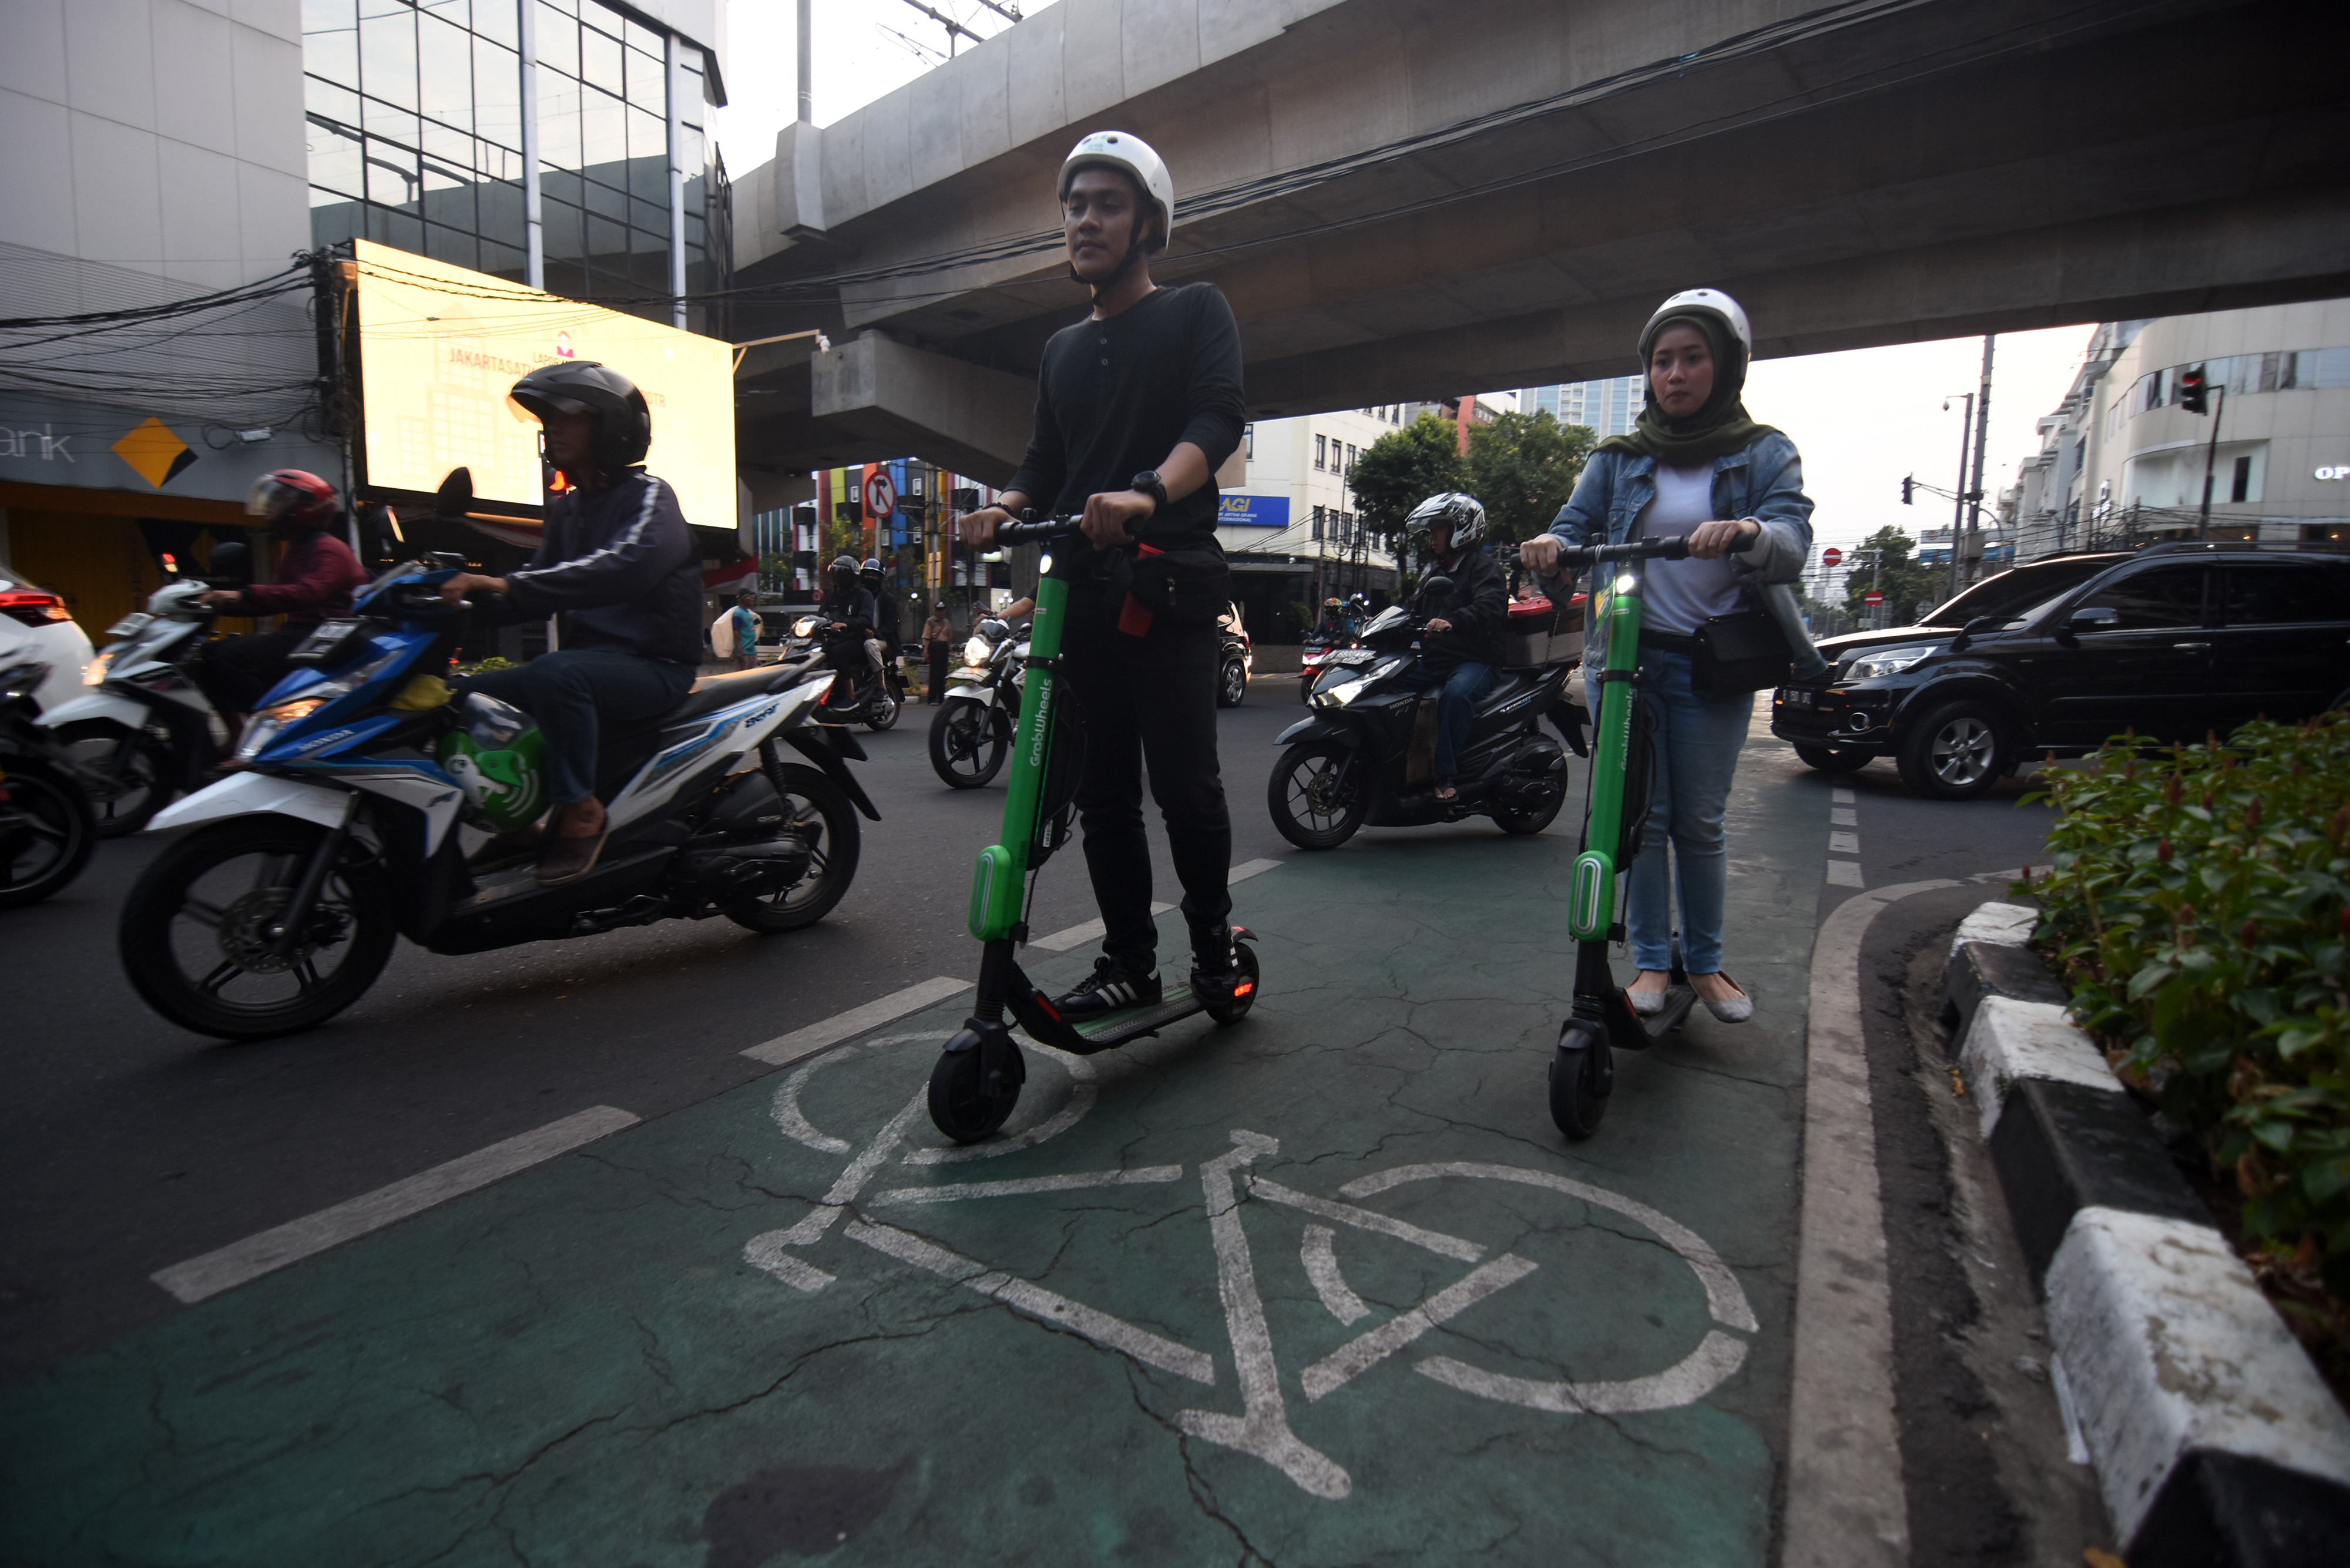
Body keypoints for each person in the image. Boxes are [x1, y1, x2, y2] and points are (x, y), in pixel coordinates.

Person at [958, 128, 1247, 1019]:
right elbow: (1047, 458)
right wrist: (1005, 505)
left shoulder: (1195, 310)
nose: (1085, 220)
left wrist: (1147, 492)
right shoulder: (1060, 349)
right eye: (1075, 206)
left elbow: (1217, 419)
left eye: (1108, 205)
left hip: (1166, 585)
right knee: (1103, 793)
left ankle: (1212, 941)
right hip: (1078, 594)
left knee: (1186, 788)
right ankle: (1130, 959)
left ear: (1148, 224)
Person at [1520, 287, 1815, 1024]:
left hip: (1714, 665)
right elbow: (1571, 527)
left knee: (1700, 822)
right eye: (1661, 361)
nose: (1674, 374)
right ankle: (1652, 960)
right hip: (1627, 660)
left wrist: (1748, 530)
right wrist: (1549, 546)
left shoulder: (1763, 451)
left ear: (1728, 367)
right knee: (1642, 820)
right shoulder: (1618, 458)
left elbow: (1791, 540)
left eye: (1692, 358)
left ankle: (1704, 963)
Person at [437, 360, 704, 887]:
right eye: (548, 419)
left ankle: (581, 810)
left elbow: (625, 565)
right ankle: (515, 822)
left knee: (555, 672)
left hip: (654, 666)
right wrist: (451, 597)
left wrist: (506, 585)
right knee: (453, 698)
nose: (552, 429)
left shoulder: (651, 497)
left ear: (610, 427)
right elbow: (536, 587)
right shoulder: (569, 510)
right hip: (592, 666)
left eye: (568, 418)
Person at [197, 469, 368, 717]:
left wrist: (243, 595)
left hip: (326, 634)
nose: (270, 507)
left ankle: (269, 726)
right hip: (301, 632)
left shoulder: (329, 548)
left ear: (305, 508)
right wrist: (222, 603)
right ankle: (235, 731)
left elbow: (310, 592)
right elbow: (275, 598)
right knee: (207, 654)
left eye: (279, 501)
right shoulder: (297, 549)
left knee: (231, 657)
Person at [1394, 492, 1508, 803]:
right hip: (1436, 659)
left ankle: (1445, 773)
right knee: (1387, 681)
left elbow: (1490, 606)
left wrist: (1453, 622)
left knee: (1455, 696)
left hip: (1476, 659)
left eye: (1438, 529)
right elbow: (1413, 608)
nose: (1432, 537)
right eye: (1431, 531)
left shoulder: (1485, 568)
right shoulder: (1436, 574)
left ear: (1462, 529)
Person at [819, 555, 877, 697]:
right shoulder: (832, 596)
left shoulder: (864, 596)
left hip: (857, 640)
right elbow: (820, 616)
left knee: (837, 653)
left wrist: (846, 624)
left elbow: (866, 620)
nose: (836, 578)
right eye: (835, 573)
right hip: (836, 639)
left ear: (849, 577)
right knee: (817, 654)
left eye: (840, 574)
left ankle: (851, 694)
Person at [862, 558, 901, 689]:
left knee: (870, 645)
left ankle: (881, 685)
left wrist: (875, 633)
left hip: (883, 639)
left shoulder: (886, 599)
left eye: (874, 575)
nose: (870, 578)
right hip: (859, 636)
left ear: (880, 578)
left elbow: (891, 626)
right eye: (867, 575)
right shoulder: (858, 596)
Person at [922, 599, 954, 703]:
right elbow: (927, 638)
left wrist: (951, 651)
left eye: (943, 610)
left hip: (944, 648)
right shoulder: (931, 622)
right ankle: (932, 698)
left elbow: (948, 639)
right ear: (936, 611)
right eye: (940, 610)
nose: (942, 612)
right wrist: (926, 652)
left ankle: (941, 698)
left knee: (943, 674)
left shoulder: (947, 623)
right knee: (935, 674)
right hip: (935, 647)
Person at [726, 589, 761, 671]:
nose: (752, 599)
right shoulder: (738, 614)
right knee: (743, 674)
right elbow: (736, 631)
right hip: (744, 651)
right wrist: (739, 650)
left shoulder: (748, 613)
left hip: (752, 650)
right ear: (745, 598)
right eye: (750, 596)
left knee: (753, 674)